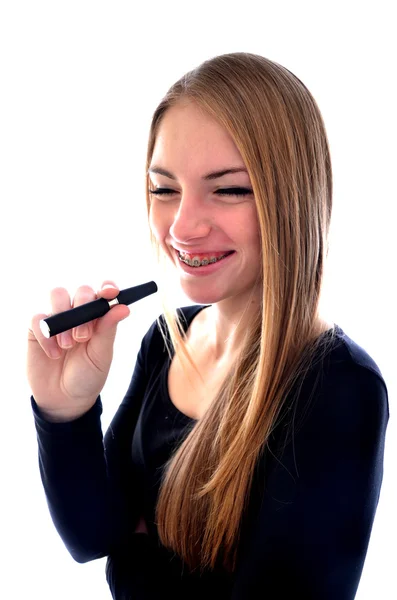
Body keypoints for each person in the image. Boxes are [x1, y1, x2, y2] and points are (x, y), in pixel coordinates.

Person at [27, 52, 389, 599]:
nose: (182, 226)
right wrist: (64, 409)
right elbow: (93, 535)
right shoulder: (169, 340)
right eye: (164, 188)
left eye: (229, 189)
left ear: (290, 198)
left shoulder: (338, 389)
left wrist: (136, 560)